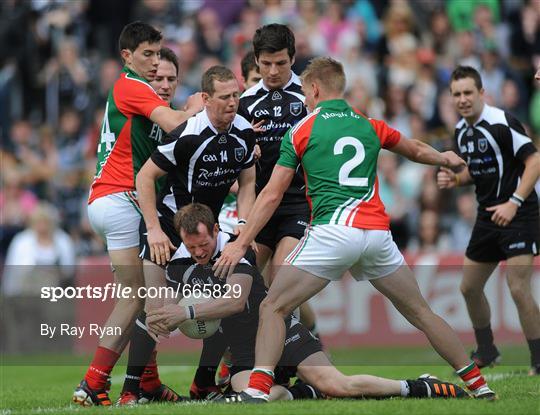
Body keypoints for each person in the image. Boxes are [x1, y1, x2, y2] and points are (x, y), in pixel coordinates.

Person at [213, 57, 497, 402]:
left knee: (272, 306)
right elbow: (415, 148)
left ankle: (257, 391)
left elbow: (271, 194)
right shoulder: (368, 123)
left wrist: (241, 241)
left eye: (304, 91)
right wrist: (445, 158)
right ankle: (479, 385)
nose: (303, 98)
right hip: (377, 235)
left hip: (333, 232)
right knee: (422, 312)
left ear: (315, 88)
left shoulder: (302, 129)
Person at [147, 203, 469, 401]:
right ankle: (305, 392)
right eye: (192, 248)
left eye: (203, 244)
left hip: (278, 333)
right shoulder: (179, 265)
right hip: (245, 354)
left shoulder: (235, 249)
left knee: (338, 385)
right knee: (250, 394)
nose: (200, 252)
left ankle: (418, 387)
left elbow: (235, 300)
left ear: (216, 230)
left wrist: (185, 312)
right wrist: (159, 315)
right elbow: (174, 302)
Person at [73, 22, 203, 406]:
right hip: (121, 200)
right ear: (127, 57)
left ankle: (147, 382)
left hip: (109, 201)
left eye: (157, 54)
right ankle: (93, 383)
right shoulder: (131, 85)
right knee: (135, 297)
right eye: (146, 55)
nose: (153, 63)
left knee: (145, 299)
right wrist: (195, 108)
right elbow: (173, 122)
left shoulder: (139, 90)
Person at [117, 65, 256, 405]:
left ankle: (204, 383)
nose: (233, 103)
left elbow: (249, 180)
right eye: (225, 97)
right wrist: (153, 230)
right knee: (157, 309)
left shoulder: (244, 131)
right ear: (206, 99)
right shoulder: (186, 134)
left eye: (236, 95)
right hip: (167, 226)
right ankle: (130, 392)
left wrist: (245, 223)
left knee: (220, 303)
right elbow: (145, 178)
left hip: (208, 230)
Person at [437, 65, 540, 375]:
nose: (463, 99)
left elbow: (534, 160)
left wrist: (514, 202)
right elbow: (478, 169)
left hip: (519, 211)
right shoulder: (460, 131)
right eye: (457, 94)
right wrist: (456, 181)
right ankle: (487, 349)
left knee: (517, 287)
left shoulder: (501, 121)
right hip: (487, 216)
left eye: (469, 92)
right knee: (469, 287)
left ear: (482, 93)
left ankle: (538, 359)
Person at [239, 23, 321, 341]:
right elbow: (235, 167)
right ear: (256, 60)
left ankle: (289, 366)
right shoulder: (244, 104)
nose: (273, 71)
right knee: (237, 284)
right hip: (261, 208)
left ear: (293, 58)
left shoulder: (309, 98)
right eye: (266, 63)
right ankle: (230, 366)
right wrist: (246, 149)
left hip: (298, 204)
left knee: (280, 281)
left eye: (281, 63)